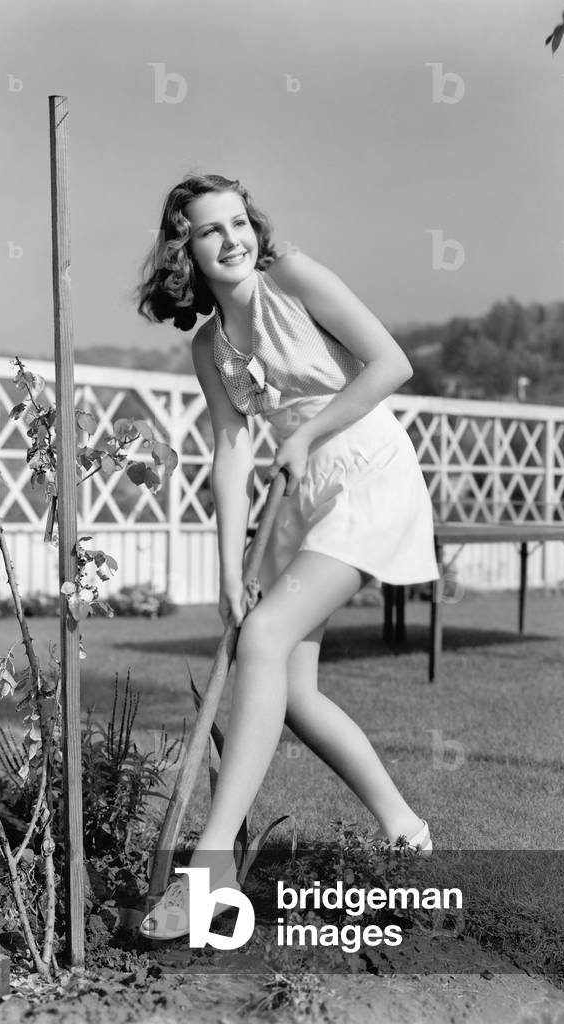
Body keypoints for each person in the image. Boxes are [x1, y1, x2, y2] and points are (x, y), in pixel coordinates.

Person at [135, 173, 439, 940]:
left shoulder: (294, 278)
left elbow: (391, 364)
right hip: (298, 495)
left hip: (365, 469)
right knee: (291, 689)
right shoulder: (211, 346)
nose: (232, 239)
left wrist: (304, 431)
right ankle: (407, 831)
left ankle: (210, 872)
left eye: (239, 222)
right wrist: (228, 567)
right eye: (211, 230)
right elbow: (231, 453)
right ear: (186, 250)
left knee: (267, 641)